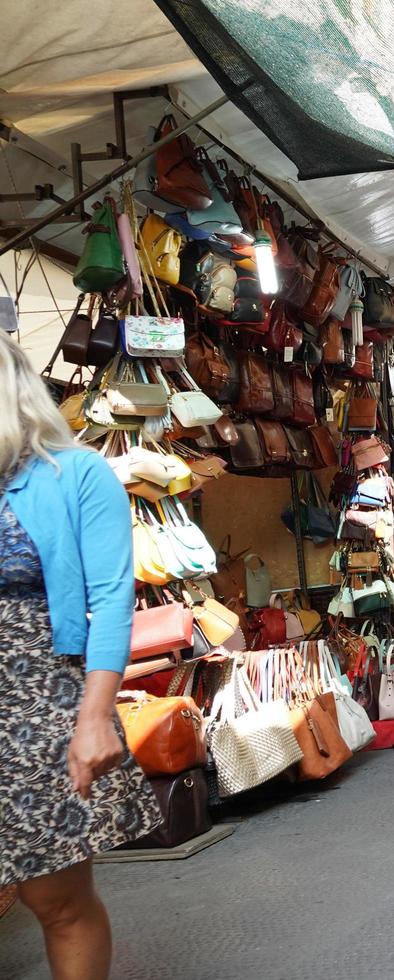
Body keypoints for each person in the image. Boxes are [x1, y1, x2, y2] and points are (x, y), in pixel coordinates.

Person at [0, 331, 162, 979]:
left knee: (55, 901)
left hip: (40, 706)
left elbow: (112, 596)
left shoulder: (77, 475)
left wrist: (94, 716)